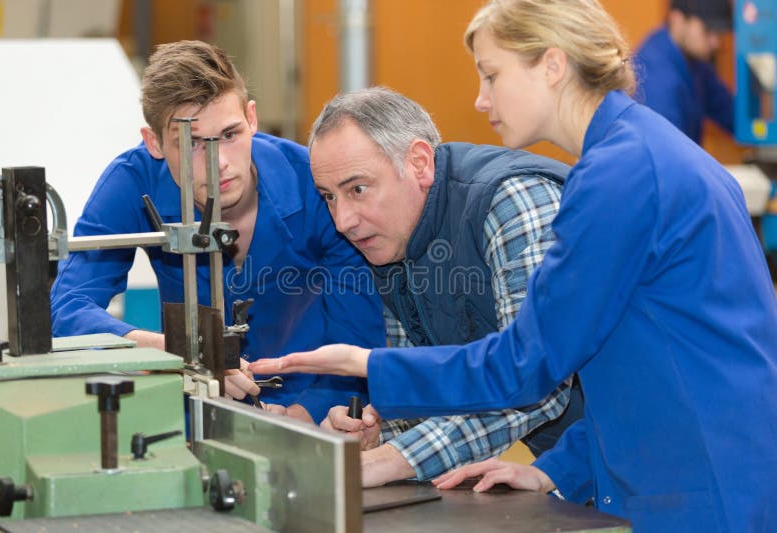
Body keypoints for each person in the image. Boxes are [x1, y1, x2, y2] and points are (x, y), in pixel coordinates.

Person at [250, 1, 777, 531]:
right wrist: (557, 470)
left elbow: (529, 362)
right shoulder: (636, 152)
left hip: (701, 483)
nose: (481, 99)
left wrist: (368, 365)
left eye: (491, 74)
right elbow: (628, 363)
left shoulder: (620, 175)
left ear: (552, 65)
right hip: (683, 468)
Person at [50, 40, 385, 423]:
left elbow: (358, 331)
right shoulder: (132, 182)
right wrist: (179, 352)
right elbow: (67, 311)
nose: (219, 162)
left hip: (311, 399)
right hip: (191, 403)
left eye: (230, 134)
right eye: (191, 143)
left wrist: (305, 415)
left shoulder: (313, 183)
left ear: (252, 118)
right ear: (154, 143)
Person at [307, 87, 579, 487]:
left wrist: (393, 459)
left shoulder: (513, 201)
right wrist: (377, 435)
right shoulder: (391, 241)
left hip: (646, 459)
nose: (342, 220)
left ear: (419, 163)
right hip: (578, 468)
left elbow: (540, 382)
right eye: (329, 197)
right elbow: (433, 395)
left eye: (358, 189)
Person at [635, 0, 734, 144]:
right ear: (678, 20)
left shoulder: (697, 62)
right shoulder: (657, 79)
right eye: (707, 31)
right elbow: (667, 150)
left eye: (719, 33)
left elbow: (730, 113)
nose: (716, 43)